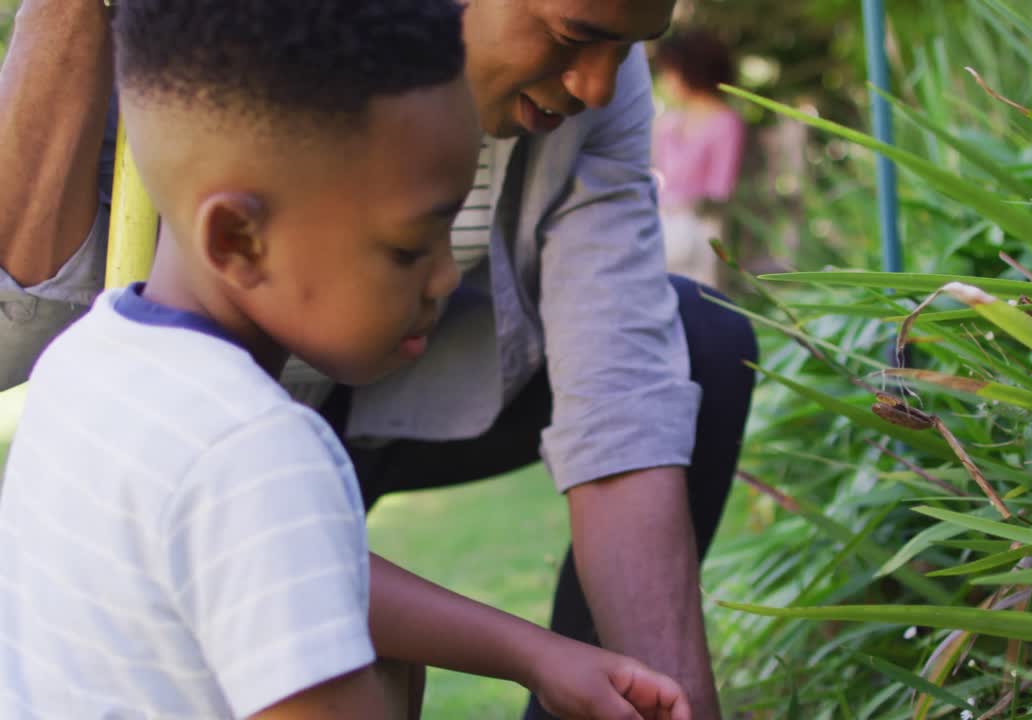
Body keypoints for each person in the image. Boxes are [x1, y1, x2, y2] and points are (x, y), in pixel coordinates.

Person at [0, 1, 758, 717]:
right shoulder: (258, 456)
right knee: (378, 665)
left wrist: (539, 655)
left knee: (388, 651)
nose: (445, 280)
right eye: (409, 247)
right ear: (236, 237)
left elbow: (293, 563)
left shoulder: (90, 372)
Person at [652, 30, 748, 289]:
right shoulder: (668, 124)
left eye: (669, 72)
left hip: (699, 228)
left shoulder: (726, 123)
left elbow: (720, 189)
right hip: (663, 226)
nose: (664, 81)